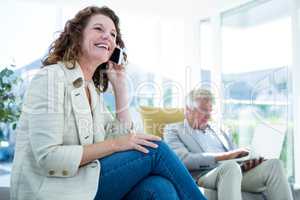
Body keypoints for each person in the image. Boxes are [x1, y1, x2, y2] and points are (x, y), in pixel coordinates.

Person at [10, 6, 207, 200]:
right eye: (98, 29)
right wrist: (115, 145)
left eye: (113, 34)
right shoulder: (51, 78)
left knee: (160, 187)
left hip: (85, 183)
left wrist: (120, 88)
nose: (108, 37)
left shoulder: (92, 92)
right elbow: (48, 157)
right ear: (77, 36)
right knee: (156, 149)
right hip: (55, 191)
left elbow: (123, 138)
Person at [164, 88, 293, 200]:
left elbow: (235, 156)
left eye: (210, 111)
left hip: (236, 171)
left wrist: (250, 158)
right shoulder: (174, 130)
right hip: (204, 175)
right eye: (203, 110)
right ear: (188, 110)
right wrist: (225, 157)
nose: (208, 116)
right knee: (230, 167)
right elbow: (183, 160)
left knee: (274, 165)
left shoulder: (221, 130)